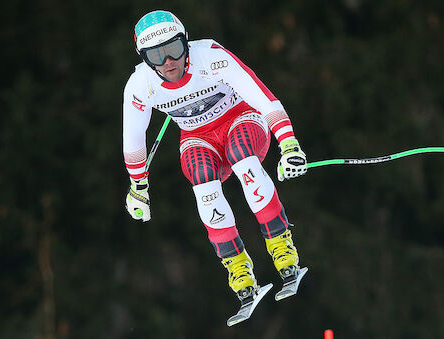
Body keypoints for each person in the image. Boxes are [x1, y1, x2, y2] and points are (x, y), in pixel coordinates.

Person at [123, 10, 308, 302]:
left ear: (186, 42)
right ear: (144, 58)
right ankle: (238, 268)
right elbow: (133, 139)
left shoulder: (210, 55)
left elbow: (261, 96)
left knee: (241, 156)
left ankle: (282, 247)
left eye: (173, 49)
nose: (168, 62)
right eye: (155, 56)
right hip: (197, 137)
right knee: (202, 178)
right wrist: (139, 188)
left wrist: (289, 145)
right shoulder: (140, 84)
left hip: (241, 119)